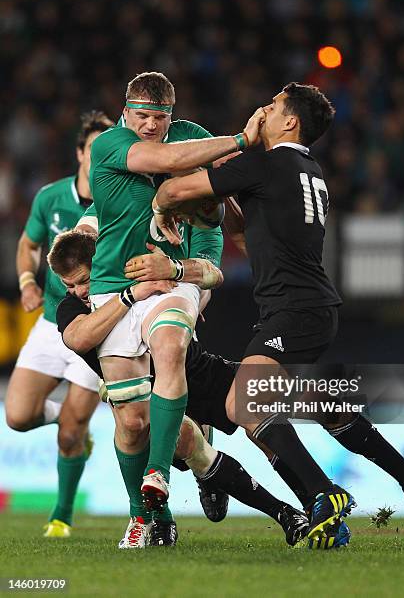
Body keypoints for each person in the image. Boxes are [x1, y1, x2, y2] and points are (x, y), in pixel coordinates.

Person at [150, 82, 404, 543]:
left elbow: (176, 191)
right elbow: (245, 230)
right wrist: (222, 193)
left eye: (274, 107)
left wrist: (228, 151)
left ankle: (322, 492)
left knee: (245, 401)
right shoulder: (307, 169)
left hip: (295, 310)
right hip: (308, 309)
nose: (265, 110)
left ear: (290, 122)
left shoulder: (265, 162)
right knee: (322, 407)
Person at [47, 229, 313, 550]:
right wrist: (129, 297)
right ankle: (161, 518)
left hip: (195, 371)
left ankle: (315, 502)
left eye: (84, 280)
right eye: (69, 285)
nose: (78, 291)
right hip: (149, 393)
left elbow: (204, 284)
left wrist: (189, 293)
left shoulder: (152, 268)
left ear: (102, 266)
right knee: (160, 433)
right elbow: (78, 338)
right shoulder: (87, 304)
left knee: (259, 411)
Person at [87, 71, 263, 525]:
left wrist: (192, 281)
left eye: (158, 118)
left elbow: (223, 197)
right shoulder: (111, 144)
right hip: (117, 286)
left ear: (172, 115)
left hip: (178, 273)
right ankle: (155, 511)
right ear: (126, 112)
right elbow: (165, 159)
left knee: (171, 347)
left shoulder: (192, 137)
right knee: (131, 419)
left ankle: (158, 475)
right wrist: (241, 138)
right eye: (141, 116)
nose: (148, 124)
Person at [4, 111, 114, 537]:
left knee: (70, 432)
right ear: (81, 153)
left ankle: (61, 517)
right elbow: (28, 244)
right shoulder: (51, 197)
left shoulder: (120, 201)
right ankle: (73, 424)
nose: (104, 156)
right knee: (17, 415)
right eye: (96, 149)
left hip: (95, 329)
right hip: (51, 323)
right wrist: (28, 281)